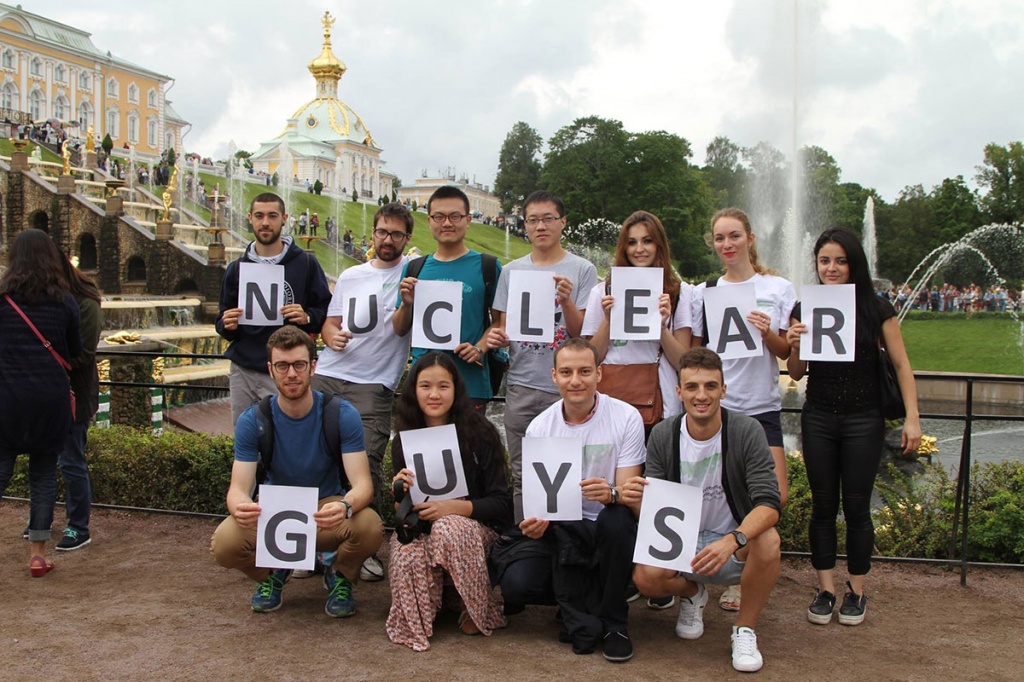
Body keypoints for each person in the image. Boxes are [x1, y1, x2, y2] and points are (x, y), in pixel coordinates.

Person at [786, 228, 921, 627]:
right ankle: (826, 587)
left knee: (858, 507)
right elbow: (796, 372)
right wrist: (794, 343)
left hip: (865, 417)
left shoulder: (877, 307)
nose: (831, 268)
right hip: (820, 415)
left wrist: (912, 417)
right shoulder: (805, 305)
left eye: (840, 260)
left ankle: (857, 590)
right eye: (824, 260)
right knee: (823, 506)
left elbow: (901, 364)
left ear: (854, 264)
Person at [210, 326, 383, 616]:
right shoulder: (253, 420)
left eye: (299, 365)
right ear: (271, 369)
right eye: (282, 366)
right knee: (224, 544)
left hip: (325, 510)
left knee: (370, 527)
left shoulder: (341, 414)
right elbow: (238, 488)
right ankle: (272, 575)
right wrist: (239, 506)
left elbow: (363, 485)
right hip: (275, 515)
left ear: (313, 366)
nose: (291, 374)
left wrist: (345, 505)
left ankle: (340, 575)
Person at [629, 347, 782, 673]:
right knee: (645, 578)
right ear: (679, 391)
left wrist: (733, 539)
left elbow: (769, 503)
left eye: (711, 386)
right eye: (693, 387)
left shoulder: (746, 431)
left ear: (723, 390)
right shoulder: (663, 434)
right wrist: (630, 497)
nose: (702, 395)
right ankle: (692, 593)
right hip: (683, 543)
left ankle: (744, 629)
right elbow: (657, 507)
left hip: (733, 547)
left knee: (768, 541)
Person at [494, 339, 645, 663]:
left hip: (608, 526)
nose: (575, 380)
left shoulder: (626, 417)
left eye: (584, 371)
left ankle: (615, 623)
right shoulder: (539, 427)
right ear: (554, 376)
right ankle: (580, 602)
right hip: (564, 527)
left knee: (616, 519)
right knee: (516, 585)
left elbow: (630, 493)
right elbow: (541, 504)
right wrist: (537, 523)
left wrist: (611, 494)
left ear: (599, 375)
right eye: (566, 372)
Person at [690, 207, 795, 613]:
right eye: (719, 238)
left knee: (774, 497)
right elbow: (699, 350)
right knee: (714, 493)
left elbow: (788, 352)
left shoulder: (779, 287)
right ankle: (702, 579)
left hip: (762, 406)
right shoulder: (706, 291)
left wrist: (767, 331)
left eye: (734, 236)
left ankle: (740, 564)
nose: (727, 245)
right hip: (719, 408)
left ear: (750, 238)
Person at [313, 202, 415, 582]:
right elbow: (329, 322)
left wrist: (407, 302)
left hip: (375, 382)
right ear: (372, 233)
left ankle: (364, 548)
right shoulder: (353, 274)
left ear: (407, 238)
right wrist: (331, 336)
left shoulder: (412, 274)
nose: (388, 240)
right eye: (382, 232)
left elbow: (402, 330)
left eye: (396, 234)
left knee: (368, 462)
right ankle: (312, 544)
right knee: (316, 457)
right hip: (329, 372)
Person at [386, 352, 512, 651]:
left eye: (443, 386)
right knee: (406, 548)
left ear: (456, 390)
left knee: (450, 527)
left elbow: (503, 504)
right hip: (422, 528)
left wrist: (456, 507)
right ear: (413, 390)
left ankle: (478, 608)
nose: (434, 394)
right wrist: (399, 493)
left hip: (474, 529)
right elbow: (402, 514)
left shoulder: (481, 432)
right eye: (425, 385)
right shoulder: (404, 437)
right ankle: (420, 616)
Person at [486, 190, 598, 522]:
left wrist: (564, 301)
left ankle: (565, 549)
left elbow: (583, 338)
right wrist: (496, 337)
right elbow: (503, 329)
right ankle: (527, 546)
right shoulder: (512, 272)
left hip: (566, 388)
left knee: (569, 475)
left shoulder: (582, 270)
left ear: (563, 222)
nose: (540, 226)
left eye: (548, 218)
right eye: (532, 220)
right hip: (520, 385)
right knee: (522, 474)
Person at [0, 229, 81, 578]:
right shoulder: (65, 301)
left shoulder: (2, 300)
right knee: (44, 475)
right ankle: (37, 554)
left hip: (7, 398)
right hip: (50, 400)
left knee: (1, 471)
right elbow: (74, 352)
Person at [216, 192, 331, 423]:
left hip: (286, 370)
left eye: (272, 216)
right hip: (244, 368)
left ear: (284, 218)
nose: (265, 222)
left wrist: (307, 316)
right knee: (244, 439)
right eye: (259, 216)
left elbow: (325, 310)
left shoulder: (306, 264)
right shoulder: (236, 268)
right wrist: (226, 324)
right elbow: (222, 320)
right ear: (250, 218)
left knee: (285, 437)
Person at [582, 210, 692, 431]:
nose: (639, 249)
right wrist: (608, 321)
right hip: (611, 401)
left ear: (659, 244)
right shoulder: (602, 291)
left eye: (647, 241)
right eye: (632, 242)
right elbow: (590, 358)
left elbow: (684, 361)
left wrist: (660, 327)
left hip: (662, 403)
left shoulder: (681, 292)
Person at [393, 185, 501, 410]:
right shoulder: (415, 268)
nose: (447, 223)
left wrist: (479, 347)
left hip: (470, 383)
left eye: (455, 216)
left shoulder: (488, 266)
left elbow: (501, 322)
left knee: (470, 445)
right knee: (424, 445)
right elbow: (400, 328)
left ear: (468, 219)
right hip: (424, 385)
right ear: (429, 221)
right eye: (439, 217)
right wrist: (406, 304)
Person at [53, 252, 103, 551]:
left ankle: (78, 526)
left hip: (75, 393)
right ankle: (41, 517)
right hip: (43, 391)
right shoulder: (43, 298)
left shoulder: (85, 301)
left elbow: (84, 354)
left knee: (71, 459)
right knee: (42, 458)